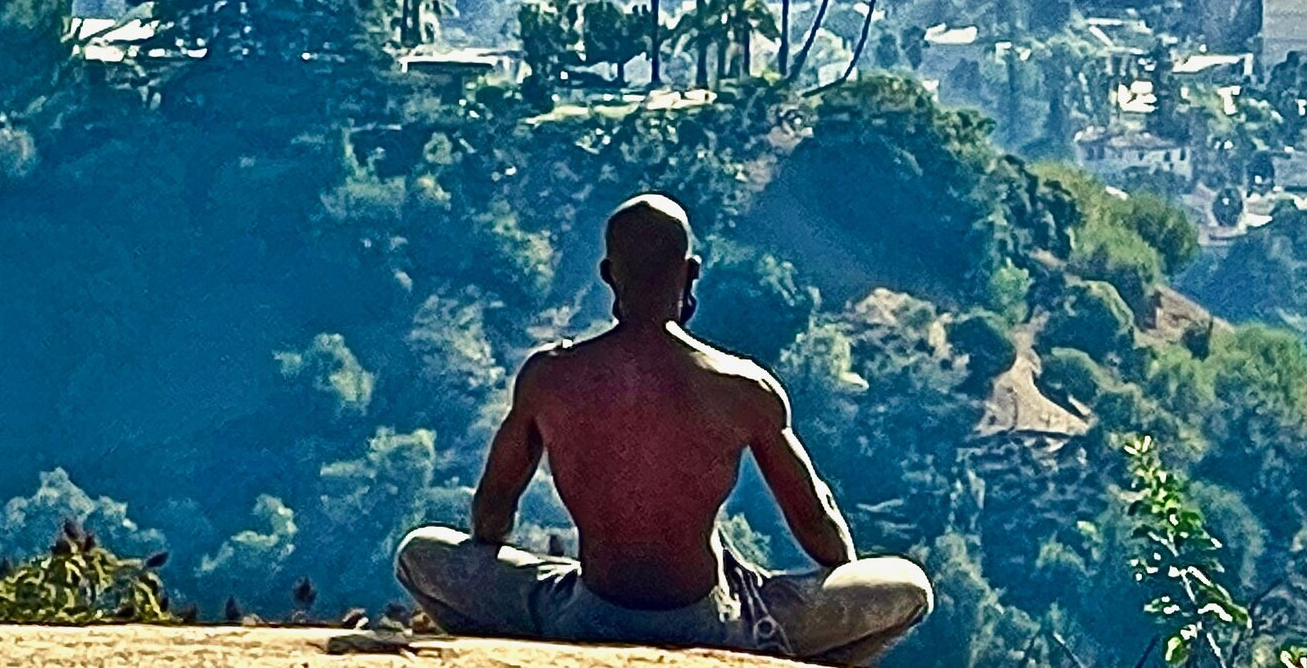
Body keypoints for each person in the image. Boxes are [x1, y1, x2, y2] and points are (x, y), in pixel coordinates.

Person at [396, 194, 932, 664]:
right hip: (715, 624)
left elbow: (491, 518)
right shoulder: (743, 387)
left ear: (608, 274)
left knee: (420, 553)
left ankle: (529, 647)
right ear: (690, 272)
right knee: (908, 588)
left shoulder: (550, 376)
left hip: (584, 616)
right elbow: (820, 534)